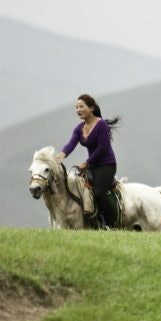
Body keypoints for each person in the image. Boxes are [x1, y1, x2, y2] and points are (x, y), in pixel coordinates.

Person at [57, 94, 121, 228]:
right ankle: (92, 221)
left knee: (98, 192)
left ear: (91, 108)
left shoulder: (101, 125)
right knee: (80, 191)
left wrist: (86, 163)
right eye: (76, 107)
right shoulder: (79, 129)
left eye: (81, 106)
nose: (78, 110)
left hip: (106, 165)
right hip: (92, 166)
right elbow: (71, 144)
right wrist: (61, 155)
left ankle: (112, 224)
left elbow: (103, 148)